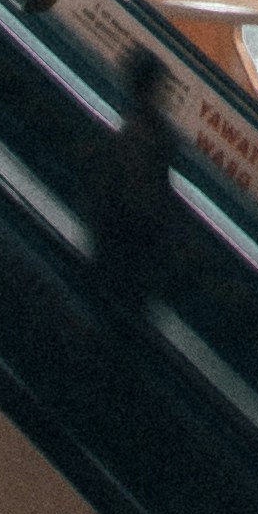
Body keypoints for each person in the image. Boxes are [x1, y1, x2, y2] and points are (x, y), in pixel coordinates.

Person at [83, 44, 182, 338]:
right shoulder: (148, 139)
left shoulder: (133, 135)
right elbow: (144, 200)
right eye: (159, 86)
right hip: (131, 261)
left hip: (119, 259)